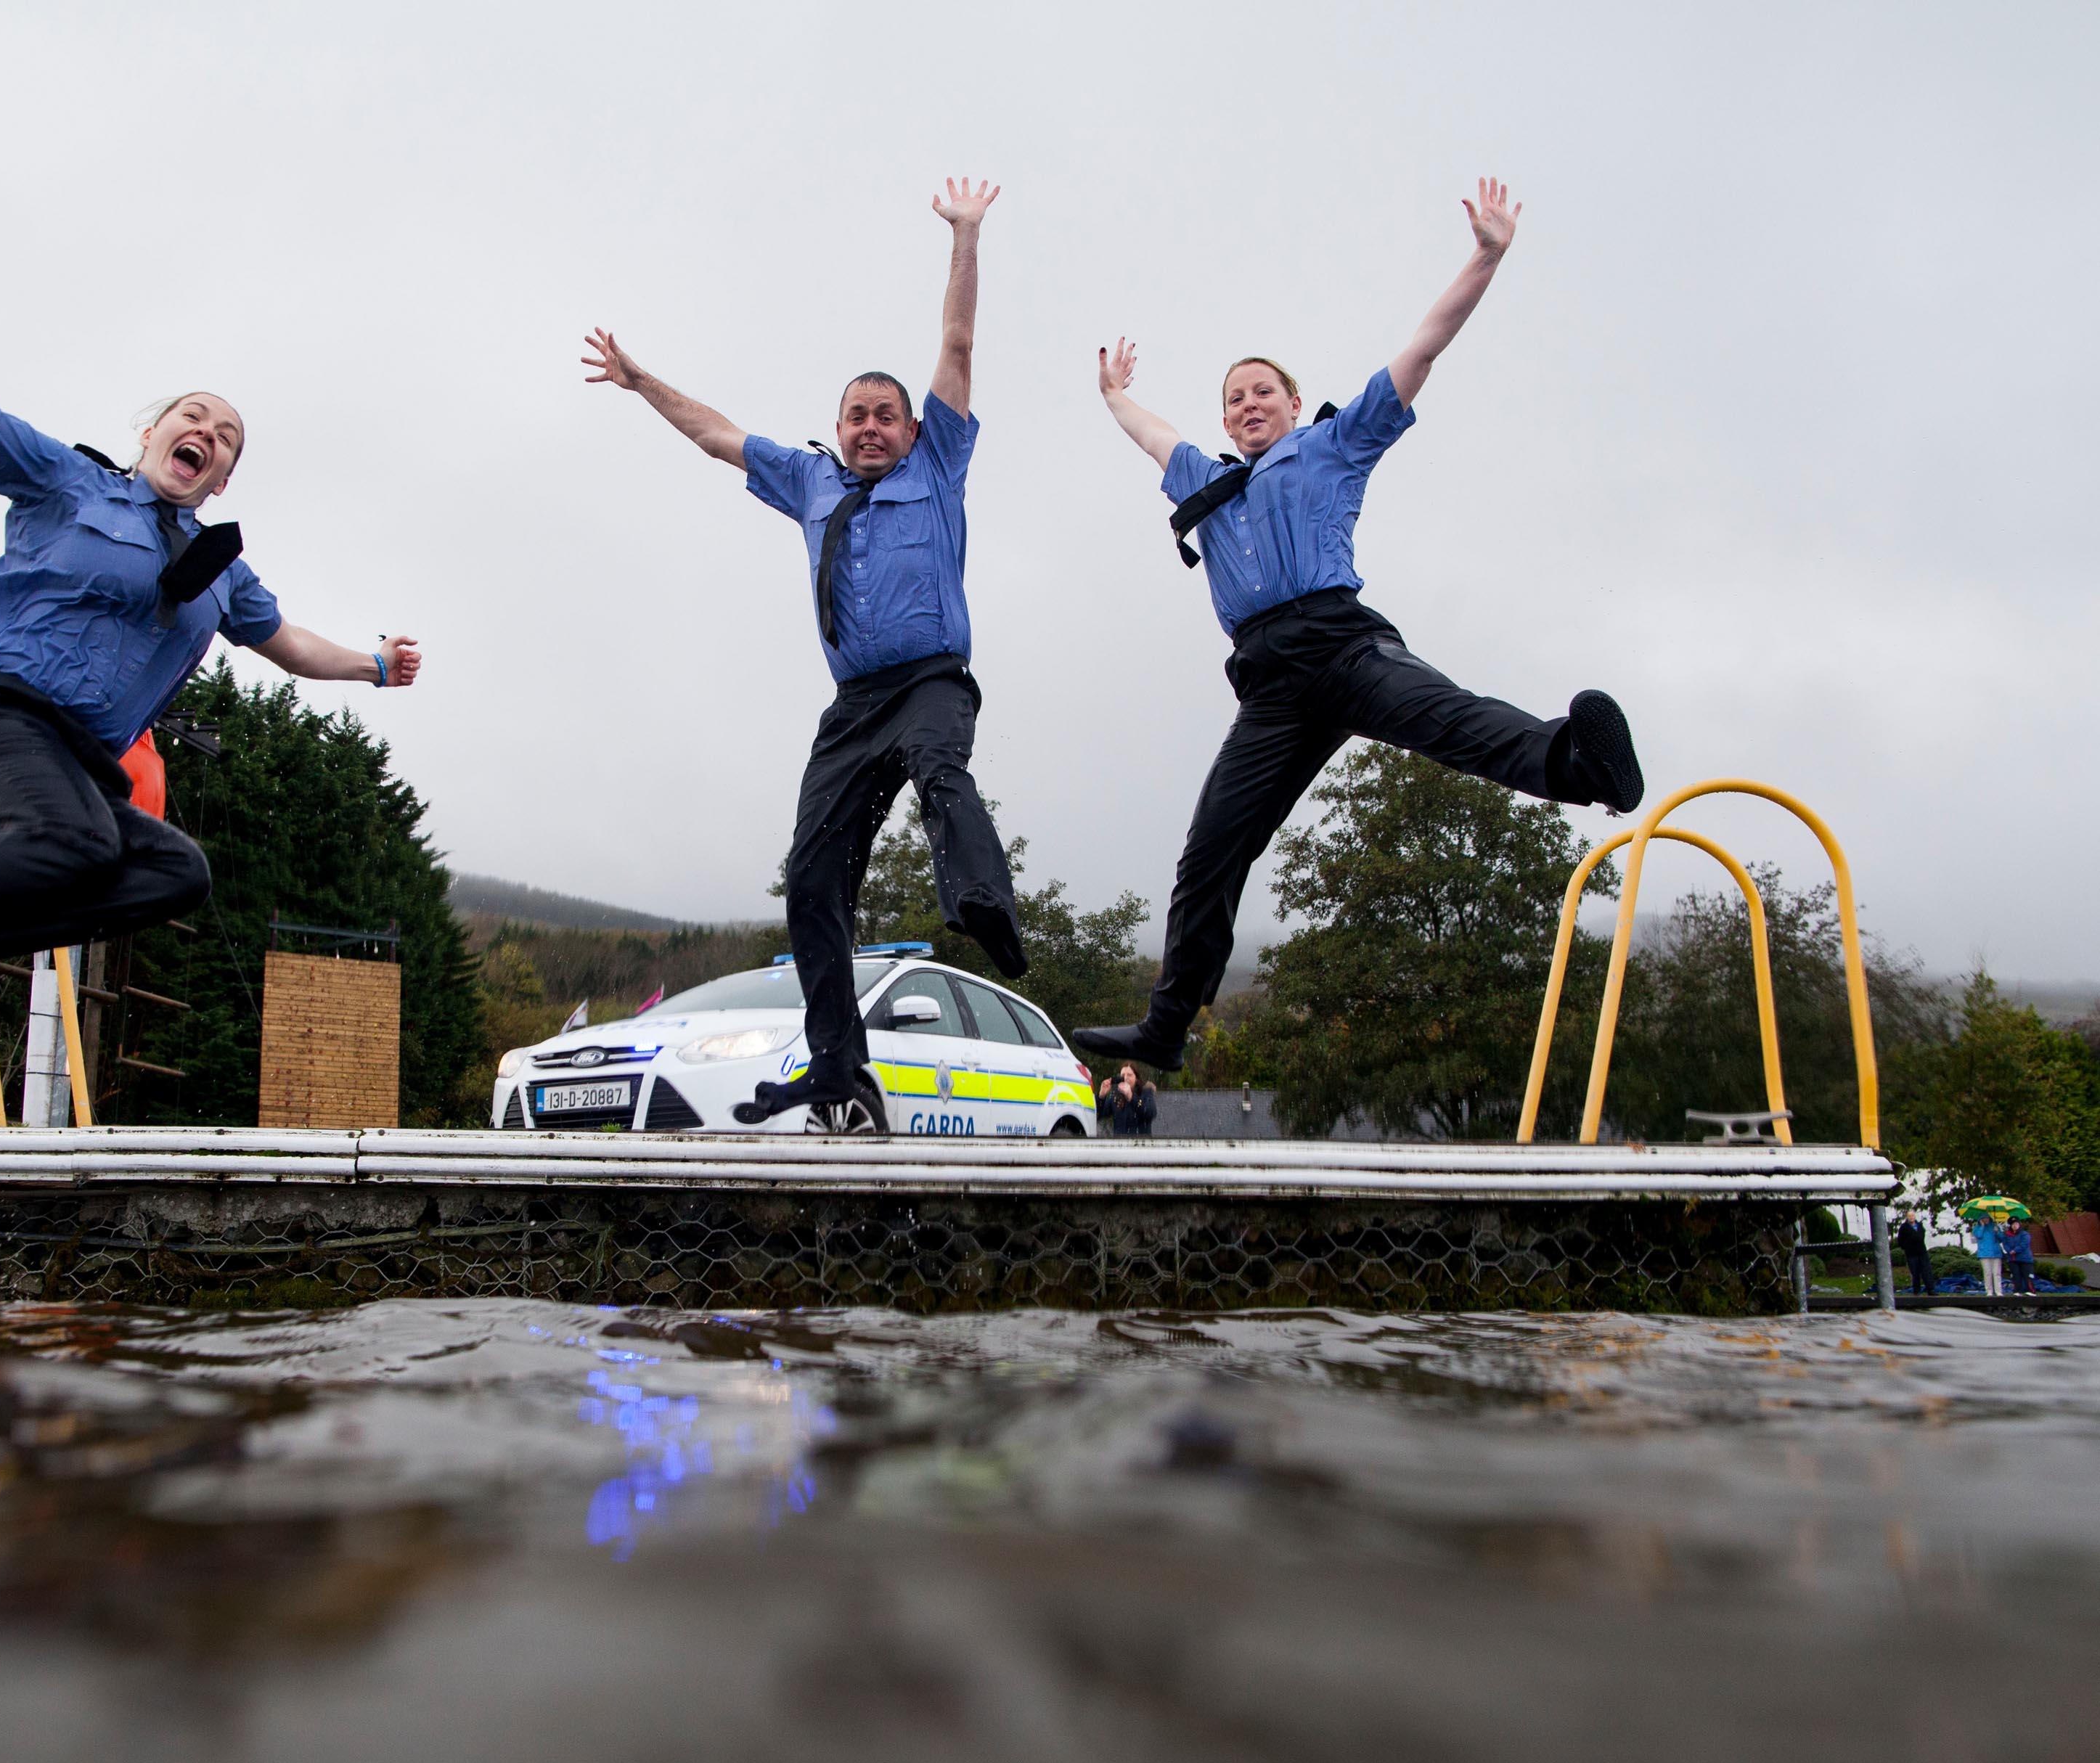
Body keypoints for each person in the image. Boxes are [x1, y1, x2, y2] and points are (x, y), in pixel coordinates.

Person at [0, 186, 420, 1034]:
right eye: (193, 418)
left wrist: (374, 666)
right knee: (77, 841)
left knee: (173, 872)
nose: (207, 434)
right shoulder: (63, 482)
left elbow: (288, 644)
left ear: (223, 479)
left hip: (80, 770)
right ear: (150, 434)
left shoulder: (222, 573)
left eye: (224, 439)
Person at [1071, 181, 1648, 1070]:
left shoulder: (1333, 445)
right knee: (1211, 848)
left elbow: (1421, 349)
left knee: (1451, 720)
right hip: (1268, 686)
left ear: (1293, 405)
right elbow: (1150, 434)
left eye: (1261, 392)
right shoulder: (1206, 482)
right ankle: (1166, 1023)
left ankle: (1581, 764)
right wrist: (1114, 395)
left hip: (1343, 645)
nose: (1245, 405)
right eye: (1232, 399)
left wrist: (1485, 257)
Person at [583, 180, 1025, 1125]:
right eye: (855, 415)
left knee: (940, 768)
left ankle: (984, 903)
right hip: (853, 705)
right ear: (838, 430)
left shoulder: (938, 465)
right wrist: (640, 380)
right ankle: (834, 1065)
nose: (870, 427)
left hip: (932, 681)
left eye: (885, 416)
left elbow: (955, 345)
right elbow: (714, 433)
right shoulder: (809, 482)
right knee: (814, 874)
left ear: (911, 431)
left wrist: (966, 236)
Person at [1100, 1063, 1158, 1137]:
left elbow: (1151, 1113)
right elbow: (1100, 1114)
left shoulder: (1145, 1092)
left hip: (1140, 1145)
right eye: (1123, 1075)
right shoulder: (1116, 1095)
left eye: (1129, 1075)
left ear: (1136, 1078)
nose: (1125, 1078)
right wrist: (1101, 1097)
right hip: (1120, 1145)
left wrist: (1131, 1097)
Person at [1895, 1210, 1934, 1298]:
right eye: (1909, 1216)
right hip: (1911, 1253)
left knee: (1926, 1271)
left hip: (1922, 1252)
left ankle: (1930, 1289)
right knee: (1915, 1272)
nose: (1911, 1217)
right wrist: (1907, 1247)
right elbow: (1900, 1240)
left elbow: (1922, 1236)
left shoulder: (1920, 1226)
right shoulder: (1904, 1227)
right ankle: (1916, 1291)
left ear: (1915, 1216)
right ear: (1907, 1217)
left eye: (1912, 1216)